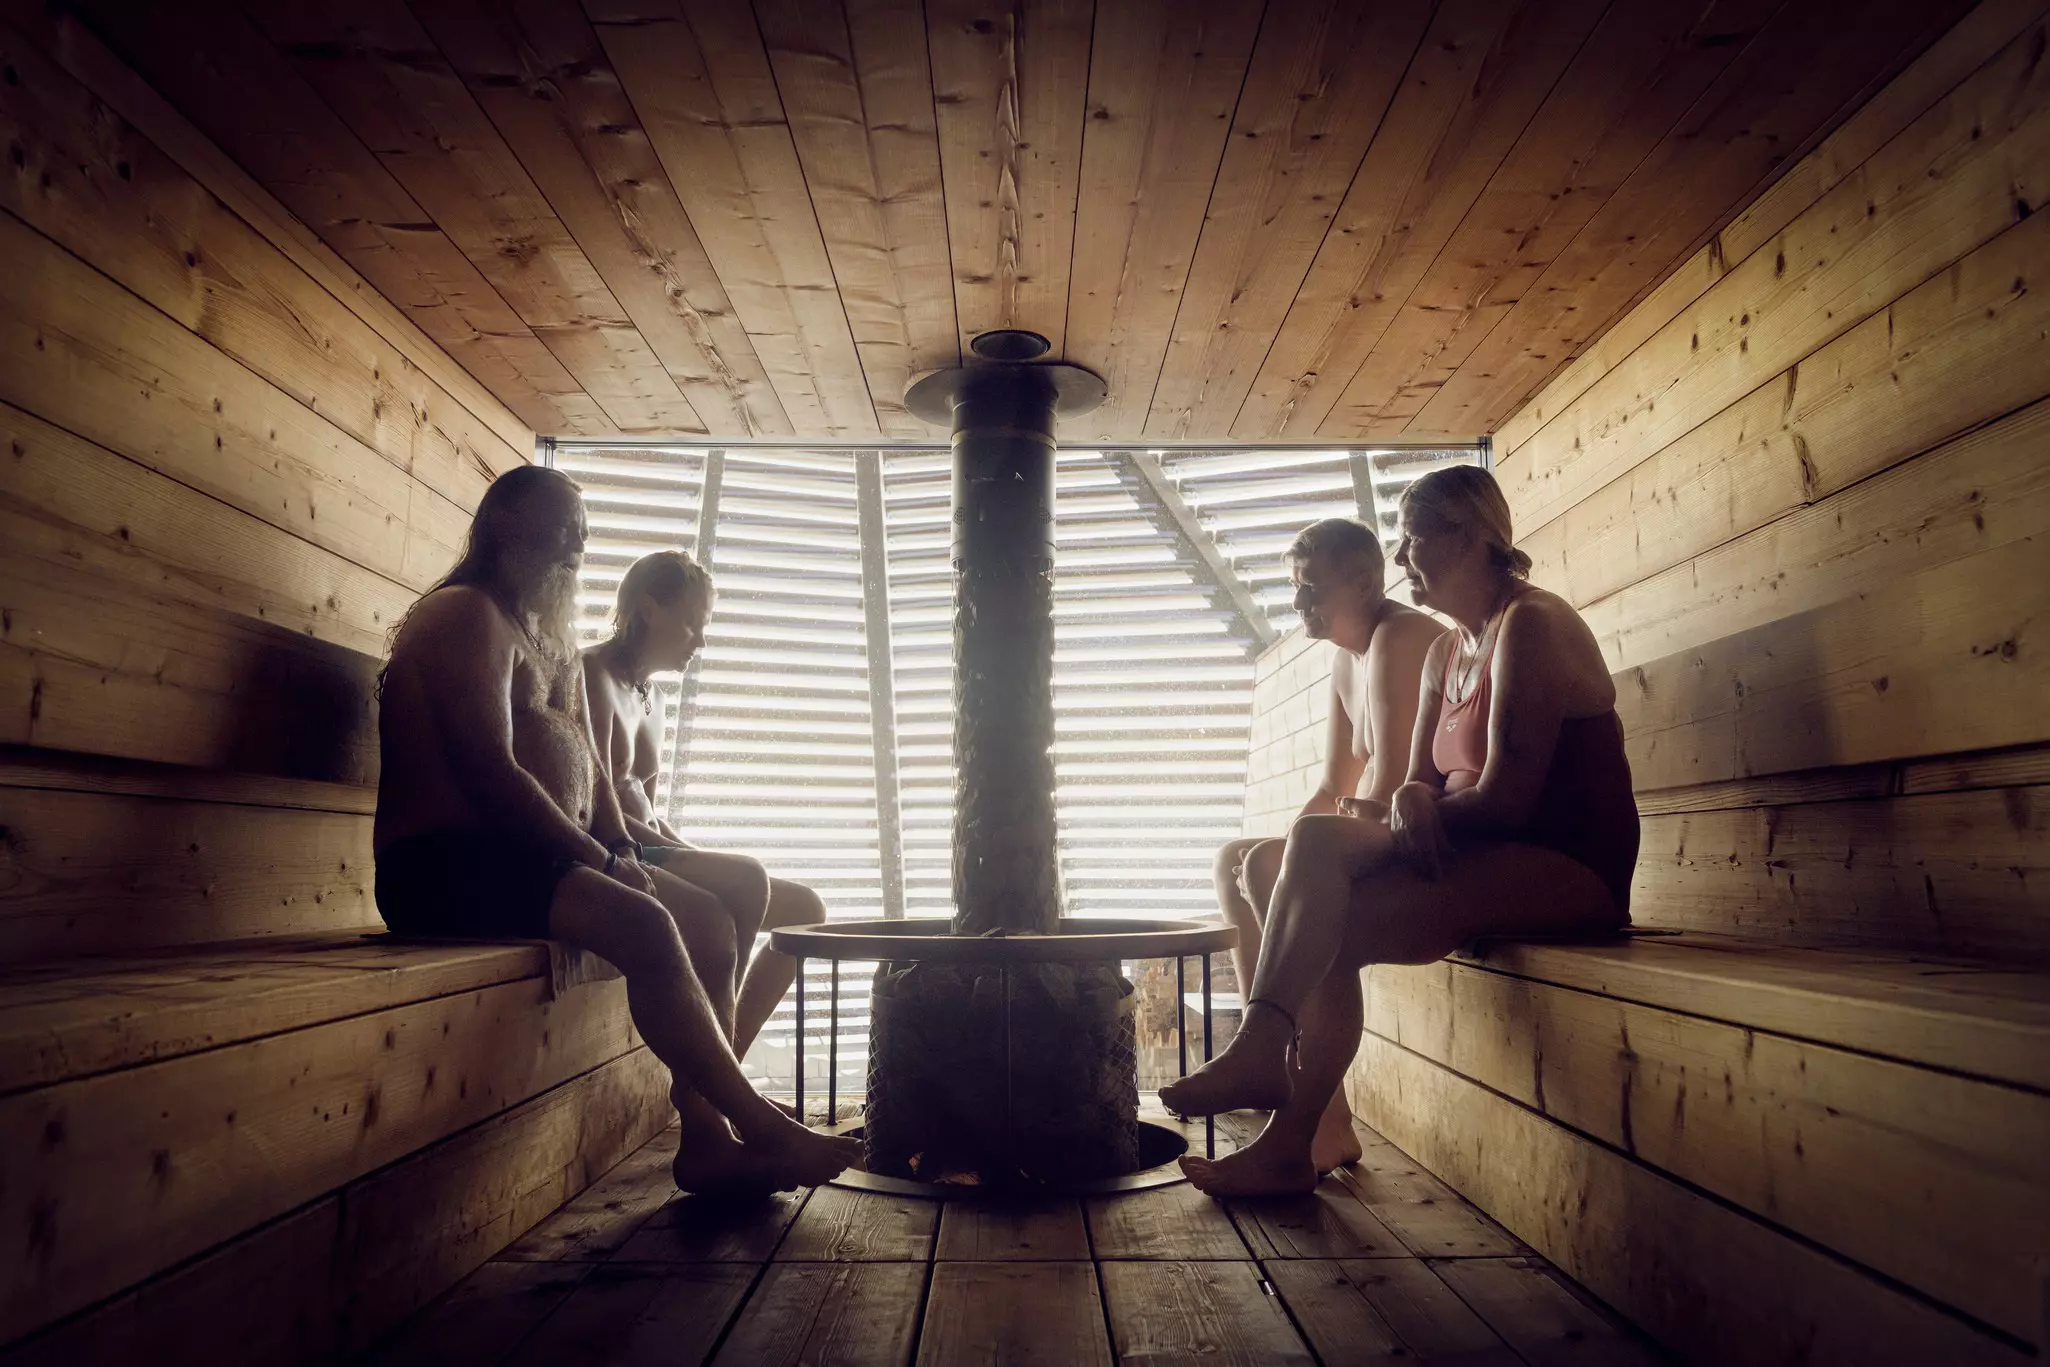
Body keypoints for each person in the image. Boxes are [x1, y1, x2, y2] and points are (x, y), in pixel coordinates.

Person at [373, 466, 857, 1193]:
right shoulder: (461, 614)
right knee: (652, 925)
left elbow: (596, 774)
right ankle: (758, 1124)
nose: (578, 544)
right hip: (444, 865)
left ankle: (707, 1139)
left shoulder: (548, 637)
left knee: (707, 922)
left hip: (531, 859)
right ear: (505, 523)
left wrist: (623, 849)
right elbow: (489, 771)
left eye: (584, 531)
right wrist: (597, 857)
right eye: (562, 527)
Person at [1164, 465, 1638, 1196]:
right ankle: (1275, 1091)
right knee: (1316, 851)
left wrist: (1419, 808)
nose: (1405, 556)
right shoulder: (1449, 653)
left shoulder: (1533, 624)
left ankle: (1286, 1116)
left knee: (1324, 917)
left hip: (1568, 866)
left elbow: (1509, 800)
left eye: (1416, 538)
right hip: (1473, 849)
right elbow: (1413, 779)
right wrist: (1416, 801)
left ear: (1475, 537)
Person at [1211, 519, 1440, 1173]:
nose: (1299, 606)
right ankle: (1293, 1079)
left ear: (1364, 582)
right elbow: (1332, 784)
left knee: (1270, 865)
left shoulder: (1398, 636)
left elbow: (1395, 780)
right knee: (1238, 859)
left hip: (1415, 835)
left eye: (1312, 590)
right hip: (1359, 829)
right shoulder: (1346, 657)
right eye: (1295, 590)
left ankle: (1319, 1114)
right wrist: (1288, 842)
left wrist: (1298, 857)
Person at [584, 550, 829, 1059]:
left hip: (650, 846)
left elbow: (650, 807)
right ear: (650, 609)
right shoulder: (593, 674)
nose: (701, 639)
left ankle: (724, 1069)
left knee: (806, 909)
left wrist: (693, 855)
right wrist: (701, 866)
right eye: (693, 623)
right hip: (613, 854)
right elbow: (597, 803)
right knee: (746, 878)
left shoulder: (654, 698)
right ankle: (720, 1090)